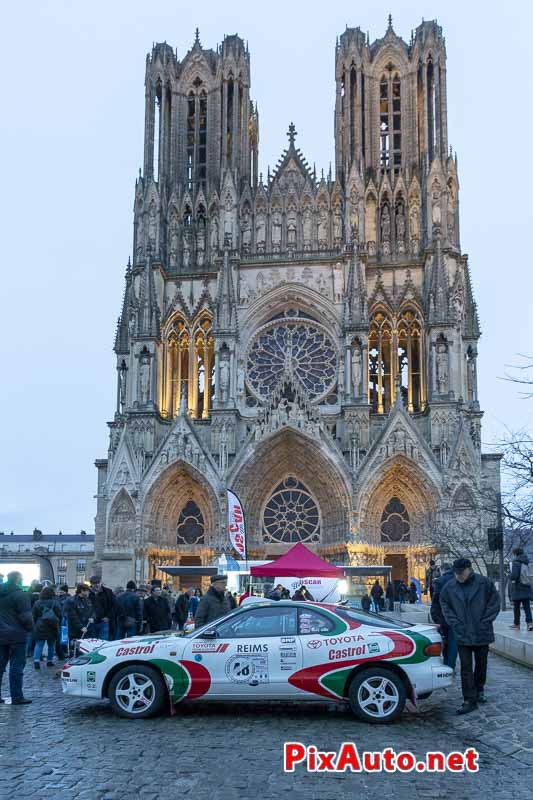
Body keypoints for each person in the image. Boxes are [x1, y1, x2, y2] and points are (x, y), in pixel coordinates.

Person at [440, 557, 501, 715]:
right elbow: (444, 605)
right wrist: (454, 623)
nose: (459, 576)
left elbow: (494, 603)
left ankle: (479, 689)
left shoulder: (484, 583)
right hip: (462, 633)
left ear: (469, 569)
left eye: (462, 572)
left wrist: (485, 621)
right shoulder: (450, 587)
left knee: (481, 664)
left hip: (481, 631)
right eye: (457, 573)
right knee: (466, 667)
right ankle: (469, 699)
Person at [0, 571, 33, 704]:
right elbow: (26, 617)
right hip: (17, 635)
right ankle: (17, 696)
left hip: (1, 635)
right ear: (18, 580)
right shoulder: (21, 595)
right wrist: (31, 629)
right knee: (17, 667)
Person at [430, 562, 457, 669]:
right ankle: (451, 665)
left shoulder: (439, 581)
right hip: (456, 616)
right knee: (453, 642)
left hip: (443, 616)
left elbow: (436, 600)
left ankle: (447, 664)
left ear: (442, 570)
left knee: (444, 641)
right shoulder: (457, 580)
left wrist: (434, 615)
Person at [32, 586, 61, 668]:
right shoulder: (54, 602)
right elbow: (59, 614)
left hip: (40, 625)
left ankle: (36, 661)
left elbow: (33, 615)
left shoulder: (37, 602)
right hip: (52, 625)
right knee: (51, 645)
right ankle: (49, 661)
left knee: (39, 644)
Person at [509, 547, 533, 631]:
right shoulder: (527, 562)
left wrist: (510, 576)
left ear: (515, 554)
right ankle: (530, 623)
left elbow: (514, 576)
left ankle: (516, 624)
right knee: (527, 606)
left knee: (516, 607)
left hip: (518, 587)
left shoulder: (516, 562)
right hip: (526, 586)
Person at [56, 584, 70, 659]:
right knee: (61, 635)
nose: (59, 592)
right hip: (60, 618)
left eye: (60, 591)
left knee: (64, 635)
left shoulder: (67, 598)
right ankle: (61, 651)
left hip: (64, 619)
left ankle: (64, 651)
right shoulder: (58, 598)